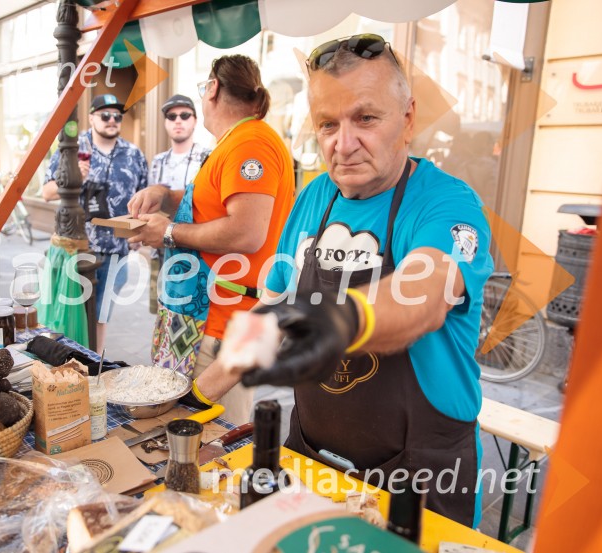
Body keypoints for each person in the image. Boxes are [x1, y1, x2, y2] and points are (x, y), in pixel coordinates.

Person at [190, 35, 493, 528]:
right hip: (313, 458)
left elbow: (424, 293)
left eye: (366, 119)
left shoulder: (448, 205)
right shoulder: (314, 197)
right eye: (328, 124)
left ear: (409, 118)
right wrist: (196, 398)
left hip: (420, 478)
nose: (343, 143)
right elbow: (267, 316)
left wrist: (336, 320)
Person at [128, 55, 295, 425]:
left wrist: (167, 231)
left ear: (213, 89)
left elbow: (248, 232)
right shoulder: (236, 141)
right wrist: (165, 194)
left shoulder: (250, 143)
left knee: (209, 442)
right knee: (178, 435)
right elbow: (212, 204)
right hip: (199, 317)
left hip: (219, 325)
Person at [42, 94, 148, 353]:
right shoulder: (72, 148)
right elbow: (46, 192)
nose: (112, 120)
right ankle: (65, 362)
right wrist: (73, 176)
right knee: (69, 313)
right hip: (77, 249)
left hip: (116, 251)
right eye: (105, 115)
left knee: (101, 316)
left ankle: (92, 366)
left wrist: (139, 233)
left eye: (117, 116)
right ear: (91, 118)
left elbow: (144, 200)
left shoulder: (133, 154)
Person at [147, 94, 212, 374]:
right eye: (172, 116)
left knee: (187, 314)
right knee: (162, 311)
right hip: (159, 250)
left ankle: (181, 368)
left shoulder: (206, 156)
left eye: (185, 115)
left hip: (193, 251)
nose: (178, 121)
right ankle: (168, 365)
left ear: (195, 121)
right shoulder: (158, 161)